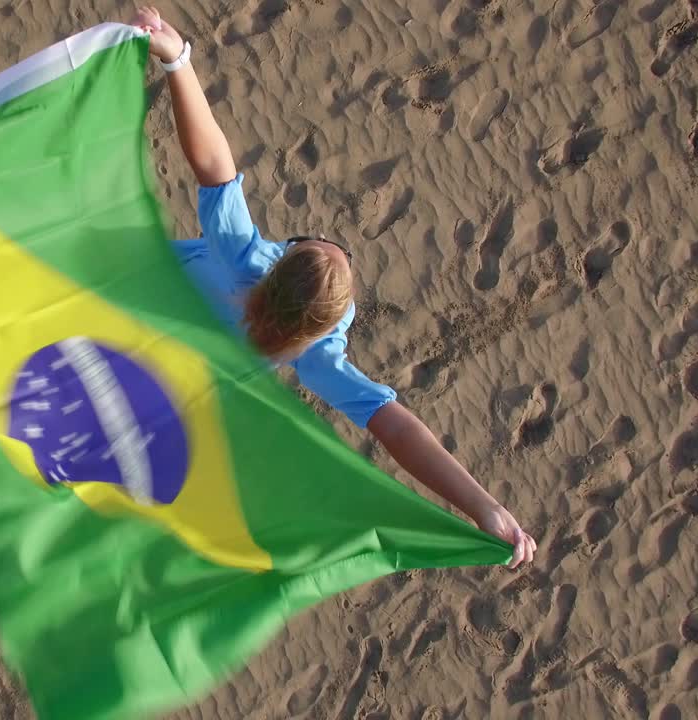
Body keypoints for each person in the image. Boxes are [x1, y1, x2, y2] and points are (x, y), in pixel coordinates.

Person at [131, 6, 537, 568]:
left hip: (119, 292)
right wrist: (484, 506)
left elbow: (213, 162)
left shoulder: (245, 258)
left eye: (313, 240)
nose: (329, 240)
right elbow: (395, 426)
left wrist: (178, 60)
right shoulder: (317, 354)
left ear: (282, 261)